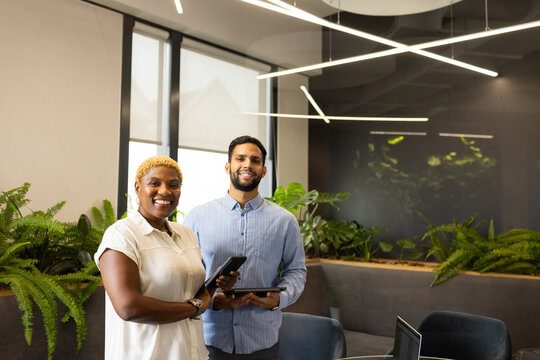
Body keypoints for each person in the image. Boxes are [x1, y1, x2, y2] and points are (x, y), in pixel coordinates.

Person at [94, 156, 237, 360]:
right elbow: (128, 307)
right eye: (154, 183)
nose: (165, 191)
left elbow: (188, 292)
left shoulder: (186, 234)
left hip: (191, 353)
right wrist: (194, 308)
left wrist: (213, 286)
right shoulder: (121, 235)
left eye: (173, 185)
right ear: (137, 188)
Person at [183, 135, 307, 359]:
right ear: (228, 166)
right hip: (209, 341)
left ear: (264, 170)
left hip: (262, 341)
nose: (248, 164)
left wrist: (280, 298)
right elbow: (185, 273)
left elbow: (296, 270)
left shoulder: (285, 221)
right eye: (240, 158)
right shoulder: (198, 217)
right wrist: (211, 299)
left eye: (255, 160)